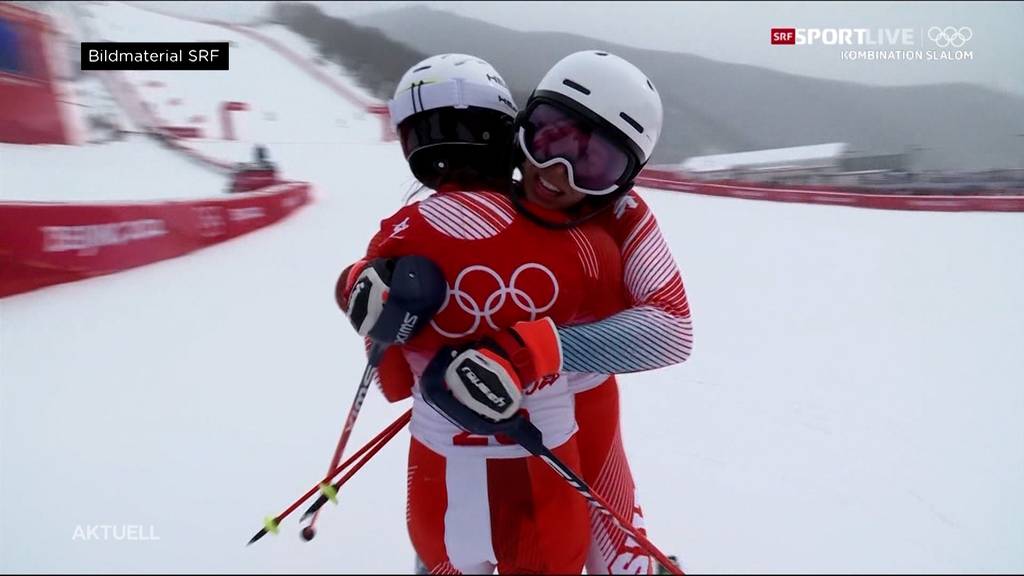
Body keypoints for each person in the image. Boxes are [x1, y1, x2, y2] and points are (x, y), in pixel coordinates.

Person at [338, 51, 693, 574]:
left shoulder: (623, 214)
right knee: (452, 542)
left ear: (624, 180)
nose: (557, 172)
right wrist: (361, 290)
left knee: (615, 557)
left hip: (580, 406)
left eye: (594, 164)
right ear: (524, 125)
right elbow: (391, 346)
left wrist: (532, 352)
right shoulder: (482, 186)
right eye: (551, 137)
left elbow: (671, 331)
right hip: (462, 415)